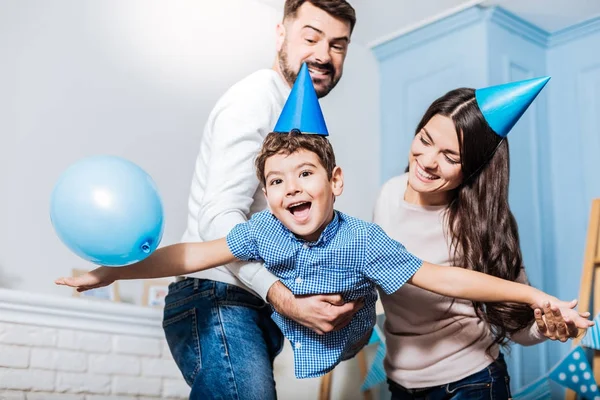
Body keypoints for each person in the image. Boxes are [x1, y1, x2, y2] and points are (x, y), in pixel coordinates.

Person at [56, 69, 593, 382]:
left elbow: (443, 277)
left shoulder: (364, 239)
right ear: (264, 193)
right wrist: (111, 273)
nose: (290, 187)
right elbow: (193, 254)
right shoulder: (267, 230)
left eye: (305, 173)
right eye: (276, 180)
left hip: (467, 374)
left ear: (336, 181)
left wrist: (535, 297)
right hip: (394, 376)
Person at [147, 1, 356, 398]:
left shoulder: (296, 116)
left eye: (338, 45)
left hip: (248, 303)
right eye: (311, 37)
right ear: (282, 34)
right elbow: (218, 217)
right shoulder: (256, 99)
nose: (324, 55)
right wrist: (283, 296)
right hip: (218, 297)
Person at [373, 78, 592, 399]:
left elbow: (519, 330)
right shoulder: (389, 193)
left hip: (471, 383)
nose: (428, 160)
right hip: (400, 384)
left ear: (473, 167)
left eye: (450, 156)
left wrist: (544, 327)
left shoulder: (483, 227)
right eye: (425, 139)